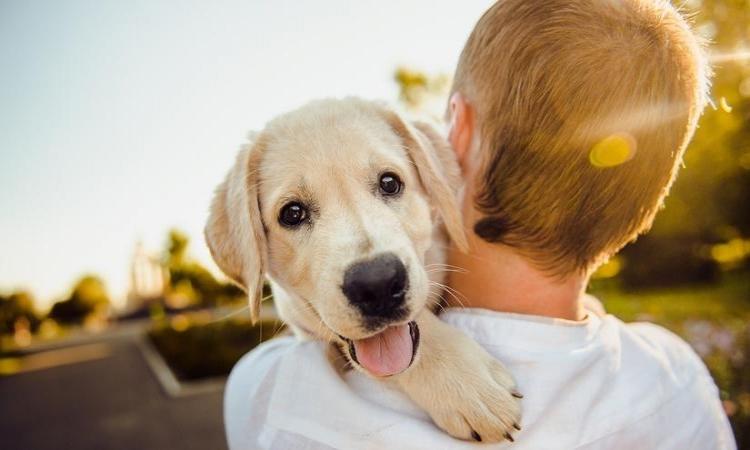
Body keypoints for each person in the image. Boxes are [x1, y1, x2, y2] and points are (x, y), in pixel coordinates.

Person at [224, 0, 736, 448]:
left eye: (388, 184)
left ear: (457, 134)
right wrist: (426, 353)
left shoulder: (272, 398)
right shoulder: (678, 379)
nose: (369, 255)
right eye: (295, 214)